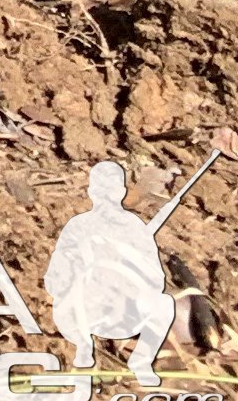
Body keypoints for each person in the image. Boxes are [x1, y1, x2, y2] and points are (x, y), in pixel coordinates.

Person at [46, 162, 183, 383]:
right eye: (101, 190)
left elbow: (156, 280)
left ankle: (141, 361)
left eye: (112, 189)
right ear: (92, 192)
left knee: (164, 304)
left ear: (121, 192)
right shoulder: (78, 225)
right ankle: (82, 348)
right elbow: (55, 275)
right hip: (80, 310)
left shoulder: (135, 228)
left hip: (122, 311)